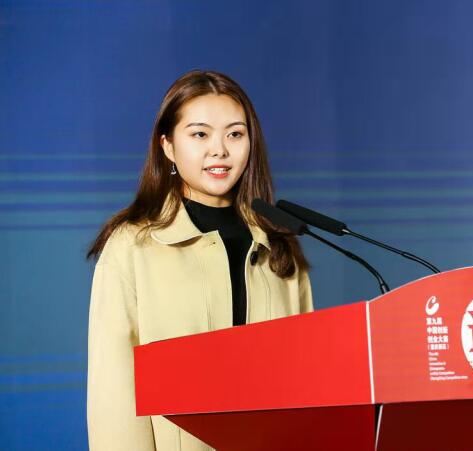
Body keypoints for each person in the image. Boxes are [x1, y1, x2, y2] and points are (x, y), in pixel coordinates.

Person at [84, 69, 314, 450]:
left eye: (235, 134)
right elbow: (114, 392)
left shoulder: (279, 245)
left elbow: (309, 386)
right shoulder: (133, 246)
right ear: (168, 146)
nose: (219, 150)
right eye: (200, 134)